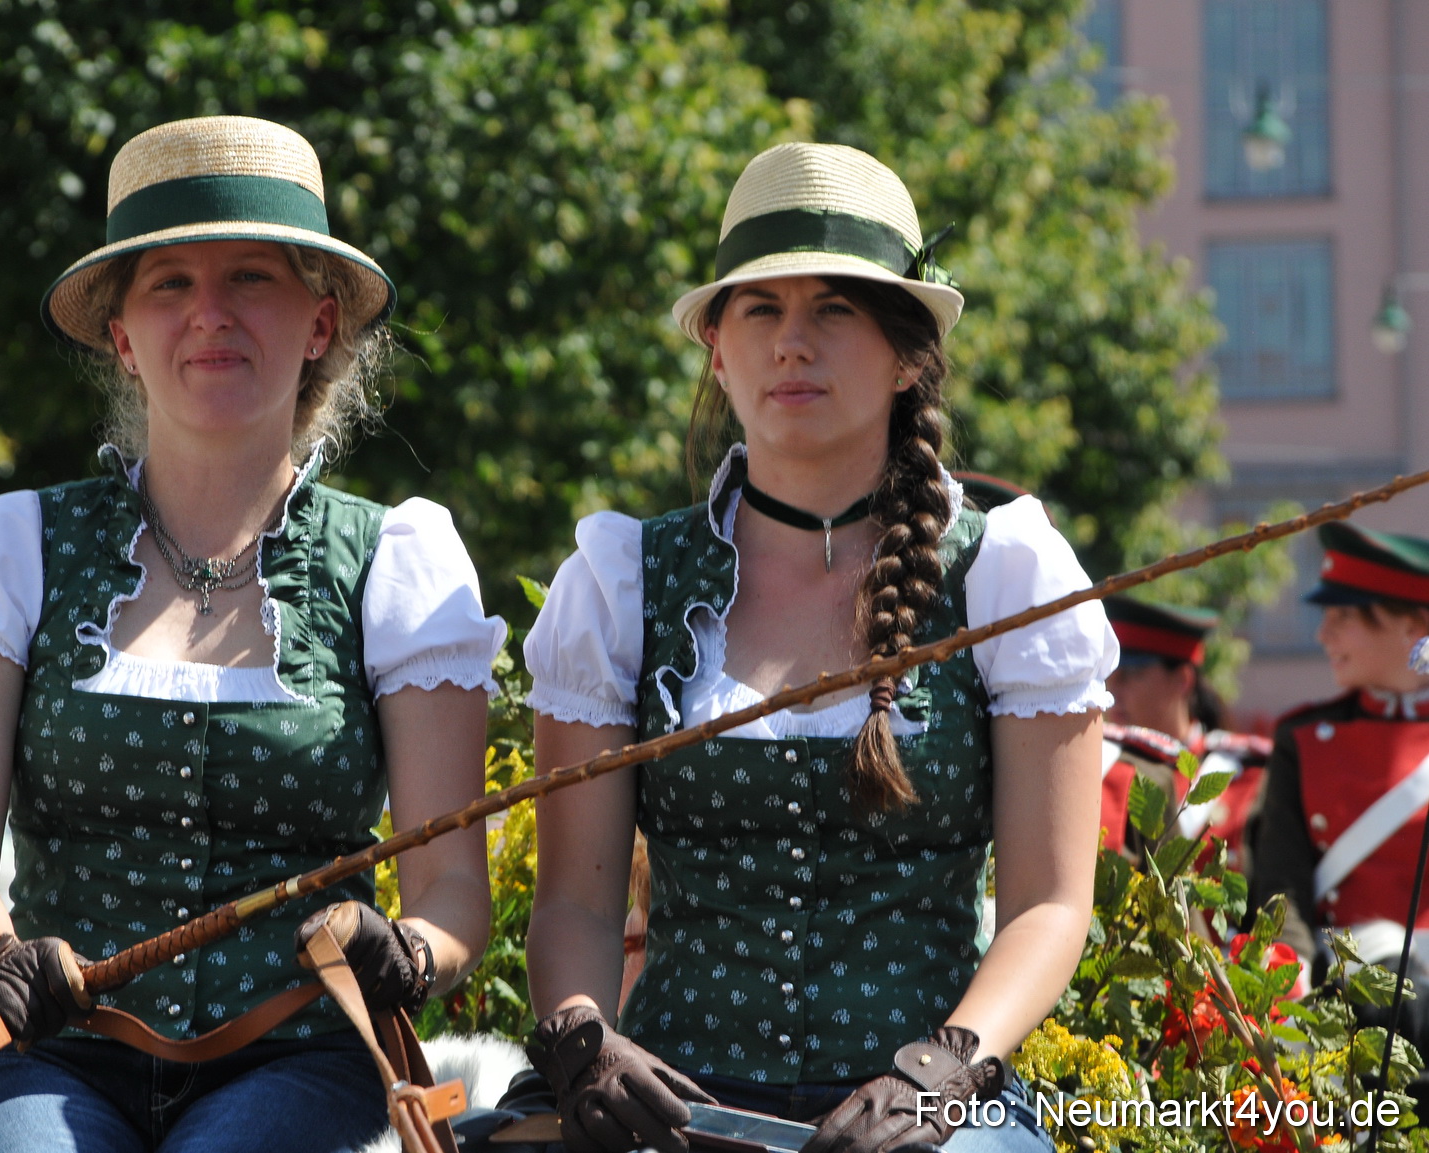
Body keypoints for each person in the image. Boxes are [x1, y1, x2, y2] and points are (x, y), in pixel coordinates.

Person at [0, 116, 503, 1153]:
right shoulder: (8, 553)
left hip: (301, 1061)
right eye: (170, 284)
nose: (210, 314)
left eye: (252, 279)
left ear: (319, 324)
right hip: (48, 1054)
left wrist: (407, 951)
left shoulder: (400, 567)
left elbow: (450, 888)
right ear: (122, 336)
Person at [520, 143, 1116, 1153]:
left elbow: (1050, 901)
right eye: (761, 309)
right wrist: (587, 1040)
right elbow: (575, 895)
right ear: (716, 345)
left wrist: (942, 1072)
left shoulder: (1006, 576)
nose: (792, 343)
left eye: (833, 308)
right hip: (669, 1106)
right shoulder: (619, 584)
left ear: (906, 352)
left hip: (932, 1112)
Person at [1251, 522, 1429, 1048]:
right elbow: (1283, 891)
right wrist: (1286, 986)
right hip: (1357, 1002)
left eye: (1342, 617)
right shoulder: (1303, 739)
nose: (1323, 635)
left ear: (1412, 624)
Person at [1099, 596, 1270, 869]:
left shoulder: (1248, 775)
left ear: (1182, 680)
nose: (1112, 687)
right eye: (1107, 672)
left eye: (1132, 672)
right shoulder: (1104, 769)